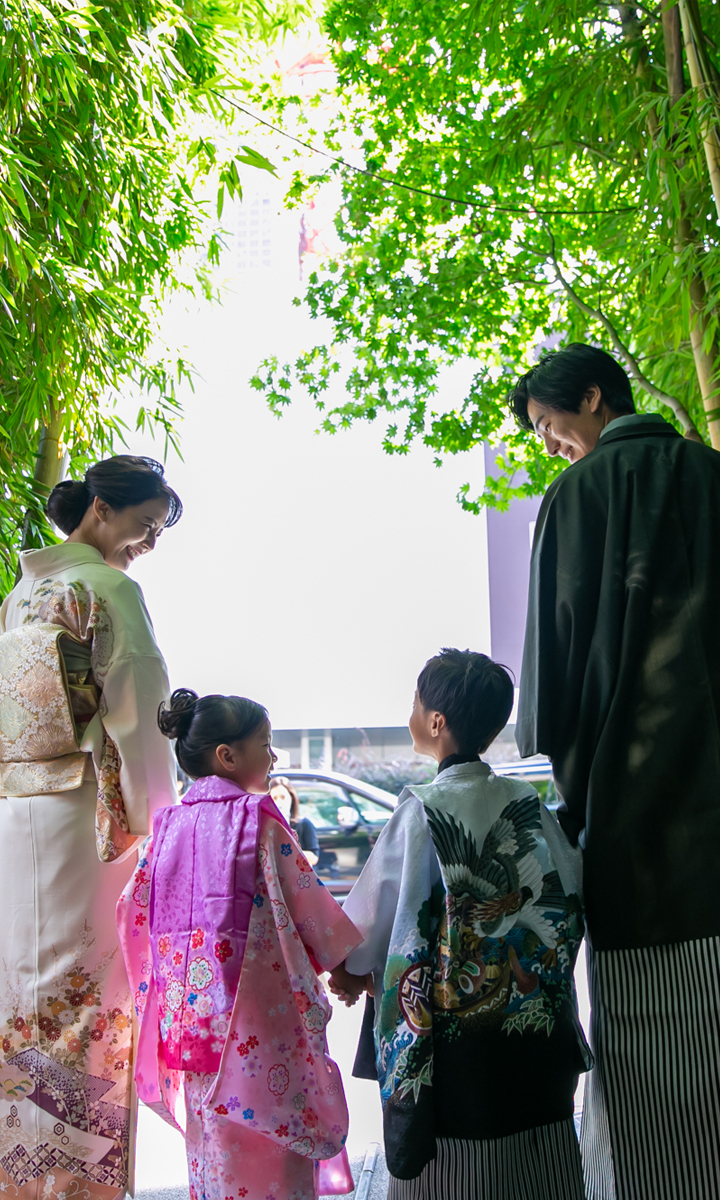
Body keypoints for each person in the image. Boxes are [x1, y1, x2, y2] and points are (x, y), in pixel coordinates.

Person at [511, 342, 720, 1200]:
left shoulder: (575, 498)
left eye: (550, 425)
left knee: (652, 1038)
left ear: (593, 399)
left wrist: (565, 763)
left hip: (633, 824)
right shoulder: (713, 474)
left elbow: (551, 673)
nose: (551, 444)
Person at [329, 649, 590, 1200]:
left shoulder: (423, 807)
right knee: (535, 1167)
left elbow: (377, 915)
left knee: (450, 1173)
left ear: (435, 723)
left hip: (454, 1044)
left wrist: (353, 970)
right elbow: (568, 884)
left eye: (414, 703)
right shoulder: (525, 801)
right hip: (533, 1041)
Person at [0, 455, 181, 1200]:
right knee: (90, 996)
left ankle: (23, 1181)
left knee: (26, 998)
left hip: (18, 816)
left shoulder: (21, 595)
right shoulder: (109, 589)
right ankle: (81, 1188)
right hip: (85, 821)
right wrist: (162, 824)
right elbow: (139, 714)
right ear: (101, 509)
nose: (147, 544)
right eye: (144, 527)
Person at [117, 689, 362, 1200]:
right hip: (261, 1028)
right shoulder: (258, 819)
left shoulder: (167, 827)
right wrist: (344, 969)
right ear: (227, 756)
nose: (273, 757)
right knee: (272, 1151)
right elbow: (307, 905)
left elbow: (131, 912)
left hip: (194, 1029)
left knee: (212, 1152)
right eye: (265, 745)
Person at [270, 775, 320, 866]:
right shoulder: (265, 827)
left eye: (283, 797)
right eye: (274, 798)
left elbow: (314, 858)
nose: (279, 802)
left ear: (291, 798)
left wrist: (289, 850)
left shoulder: (304, 824)